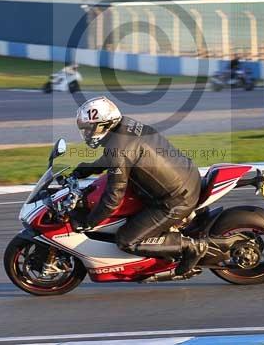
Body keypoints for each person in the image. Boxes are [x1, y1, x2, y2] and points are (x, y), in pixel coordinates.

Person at [71, 96, 208, 276]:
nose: (87, 134)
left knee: (127, 240)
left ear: (103, 126)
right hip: (186, 177)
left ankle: (192, 247)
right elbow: (118, 157)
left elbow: (113, 198)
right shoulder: (126, 126)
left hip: (175, 200)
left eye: (89, 129)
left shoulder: (118, 148)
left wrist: (90, 222)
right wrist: (85, 169)